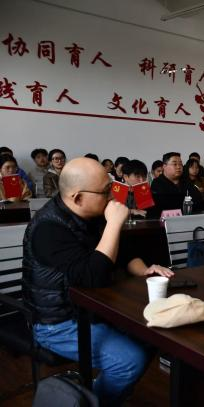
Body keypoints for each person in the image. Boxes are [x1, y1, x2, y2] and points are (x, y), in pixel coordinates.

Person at [22, 157, 173, 405]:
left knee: (152, 334)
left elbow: (125, 252)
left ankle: (97, 392)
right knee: (129, 361)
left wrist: (145, 270)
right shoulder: (48, 229)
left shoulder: (92, 212)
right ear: (78, 197)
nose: (113, 196)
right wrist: (114, 223)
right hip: (56, 322)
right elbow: (92, 277)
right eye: (106, 191)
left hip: (93, 309)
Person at [149, 152, 203, 218]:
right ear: (164, 166)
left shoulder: (186, 181)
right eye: (175, 164)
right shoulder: (157, 183)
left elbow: (198, 200)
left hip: (189, 219)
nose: (178, 167)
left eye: (180, 164)